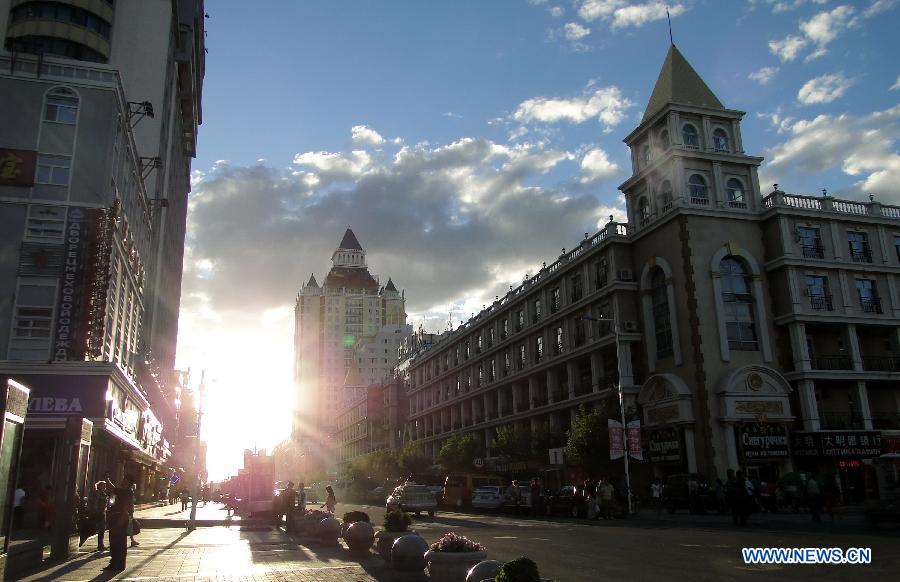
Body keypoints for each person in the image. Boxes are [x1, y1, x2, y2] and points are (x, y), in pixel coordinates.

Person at [104, 476, 134, 571]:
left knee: (117, 542)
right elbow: (114, 490)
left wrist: (107, 479)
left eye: (124, 480)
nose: (122, 481)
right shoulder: (125, 491)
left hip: (120, 518)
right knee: (116, 541)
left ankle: (117, 564)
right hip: (118, 517)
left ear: (128, 483)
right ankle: (117, 563)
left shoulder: (127, 491)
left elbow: (113, 489)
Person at [91, 481, 110, 552]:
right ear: (100, 486)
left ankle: (100, 544)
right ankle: (100, 545)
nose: (105, 487)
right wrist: (95, 511)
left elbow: (105, 503)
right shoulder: (98, 493)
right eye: (103, 486)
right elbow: (96, 502)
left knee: (102, 529)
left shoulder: (103, 493)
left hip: (102, 512)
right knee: (99, 529)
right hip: (99, 513)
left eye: (105, 486)